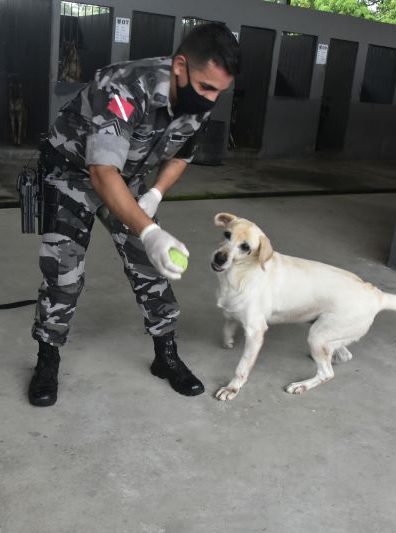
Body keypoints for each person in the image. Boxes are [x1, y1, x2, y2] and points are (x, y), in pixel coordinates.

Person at [28, 23, 239, 406]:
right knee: (64, 271)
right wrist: (150, 230)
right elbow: (100, 172)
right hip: (73, 172)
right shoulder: (125, 86)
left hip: (126, 176)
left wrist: (155, 195)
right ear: (180, 66)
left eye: (219, 92)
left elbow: (181, 155)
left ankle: (165, 355)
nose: (211, 99)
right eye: (207, 88)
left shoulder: (200, 98)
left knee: (150, 264)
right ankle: (47, 358)